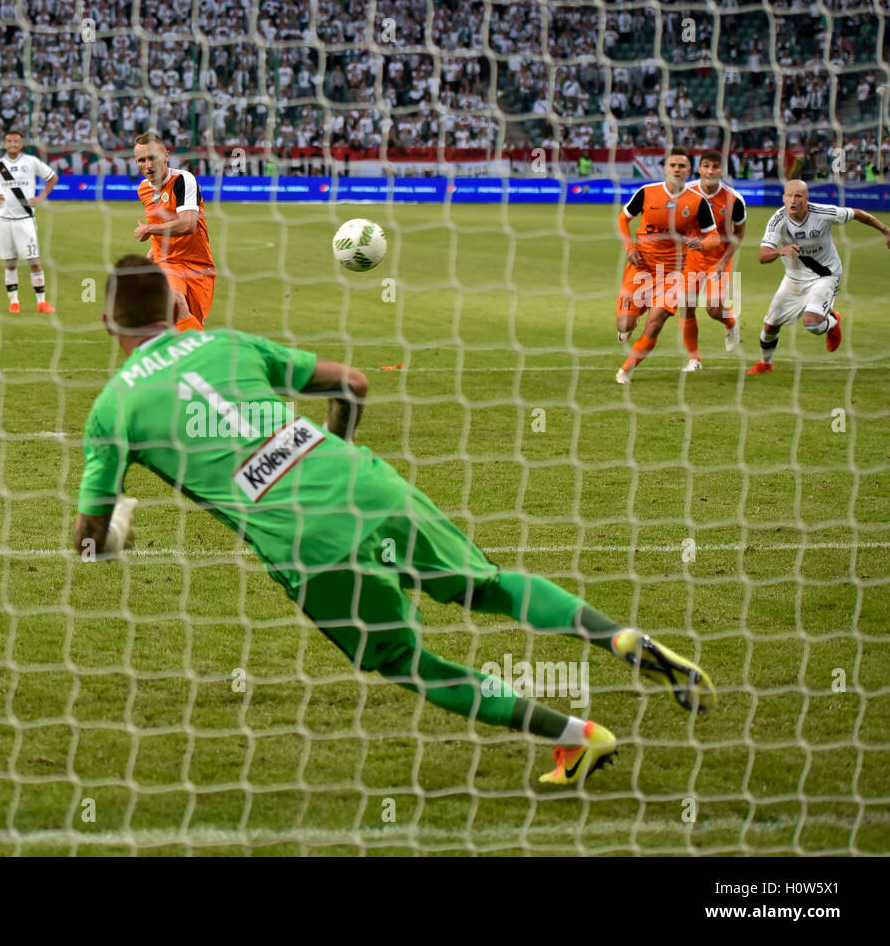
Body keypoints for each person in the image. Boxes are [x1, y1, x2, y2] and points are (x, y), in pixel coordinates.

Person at [73, 255, 718, 786]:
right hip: (361, 482)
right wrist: (344, 445)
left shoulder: (113, 410)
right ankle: (619, 639)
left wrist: (110, 540)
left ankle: (581, 737)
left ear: (107, 320)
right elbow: (352, 382)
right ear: (177, 307)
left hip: (302, 540)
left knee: (408, 661)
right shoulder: (226, 343)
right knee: (486, 586)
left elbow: (87, 541)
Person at [748, 180, 890, 374]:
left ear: (807, 199)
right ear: (783, 198)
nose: (793, 200)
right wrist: (782, 251)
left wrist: (885, 230)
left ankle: (832, 321)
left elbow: (857, 213)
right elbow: (762, 256)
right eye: (789, 195)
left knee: (813, 323)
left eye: (798, 196)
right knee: (770, 325)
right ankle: (766, 363)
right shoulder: (777, 219)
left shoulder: (824, 213)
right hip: (794, 279)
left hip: (826, 275)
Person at [615, 146, 721, 382]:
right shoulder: (646, 192)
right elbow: (623, 219)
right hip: (640, 267)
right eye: (673, 165)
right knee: (623, 324)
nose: (677, 169)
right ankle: (629, 323)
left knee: (655, 324)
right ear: (665, 168)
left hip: (672, 275)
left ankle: (627, 368)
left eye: (682, 165)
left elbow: (714, 237)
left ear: (689, 171)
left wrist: (700, 244)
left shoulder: (697, 202)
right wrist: (630, 248)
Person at [133, 132, 216, 330]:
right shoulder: (143, 189)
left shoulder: (183, 180)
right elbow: (159, 237)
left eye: (152, 157)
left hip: (198, 266)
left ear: (166, 155)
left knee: (189, 324)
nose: (148, 165)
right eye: (141, 160)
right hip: (168, 265)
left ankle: (201, 353)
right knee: (175, 302)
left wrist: (149, 229)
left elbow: (188, 224)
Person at [0, 131, 59, 314]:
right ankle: (14, 302)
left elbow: (53, 178)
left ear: (21, 145)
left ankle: (42, 302)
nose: (12, 143)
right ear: (5, 145)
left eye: (16, 141)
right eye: (9, 141)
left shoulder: (31, 162)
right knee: (10, 263)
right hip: (5, 220)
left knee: (34, 261)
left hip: (25, 220)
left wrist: (40, 197)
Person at [684, 150, 748, 360]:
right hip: (691, 259)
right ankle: (694, 359)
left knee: (713, 309)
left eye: (715, 167)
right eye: (706, 166)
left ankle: (731, 324)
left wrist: (724, 261)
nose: (710, 171)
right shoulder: (685, 192)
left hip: (718, 260)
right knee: (687, 307)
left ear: (723, 170)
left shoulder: (734, 199)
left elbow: (739, 233)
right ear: (699, 168)